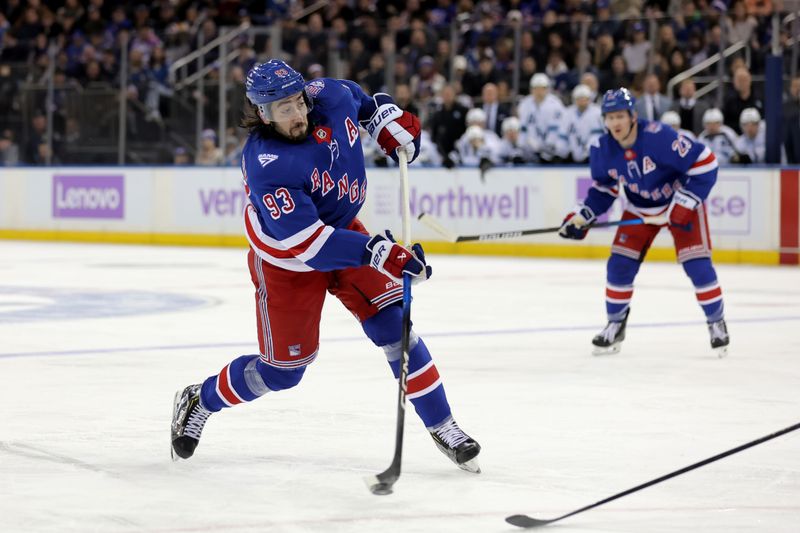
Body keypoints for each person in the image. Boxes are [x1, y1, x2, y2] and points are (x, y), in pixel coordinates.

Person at [170, 60, 481, 472]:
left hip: (345, 231)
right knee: (284, 372)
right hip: (288, 260)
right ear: (263, 113)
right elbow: (311, 246)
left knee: (394, 328)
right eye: (284, 109)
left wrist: (387, 123)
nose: (297, 113)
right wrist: (382, 253)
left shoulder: (328, 96)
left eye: (298, 101)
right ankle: (201, 398)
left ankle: (445, 426)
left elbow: (363, 102)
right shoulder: (267, 164)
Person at [558, 88, 730, 357]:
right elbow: (604, 189)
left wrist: (685, 203)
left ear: (633, 116)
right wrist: (582, 217)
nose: (615, 123)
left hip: (677, 203)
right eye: (609, 117)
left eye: (620, 116)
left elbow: (707, 163)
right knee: (618, 265)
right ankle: (615, 325)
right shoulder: (602, 149)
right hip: (639, 209)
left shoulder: (659, 138)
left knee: (697, 265)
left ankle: (716, 322)